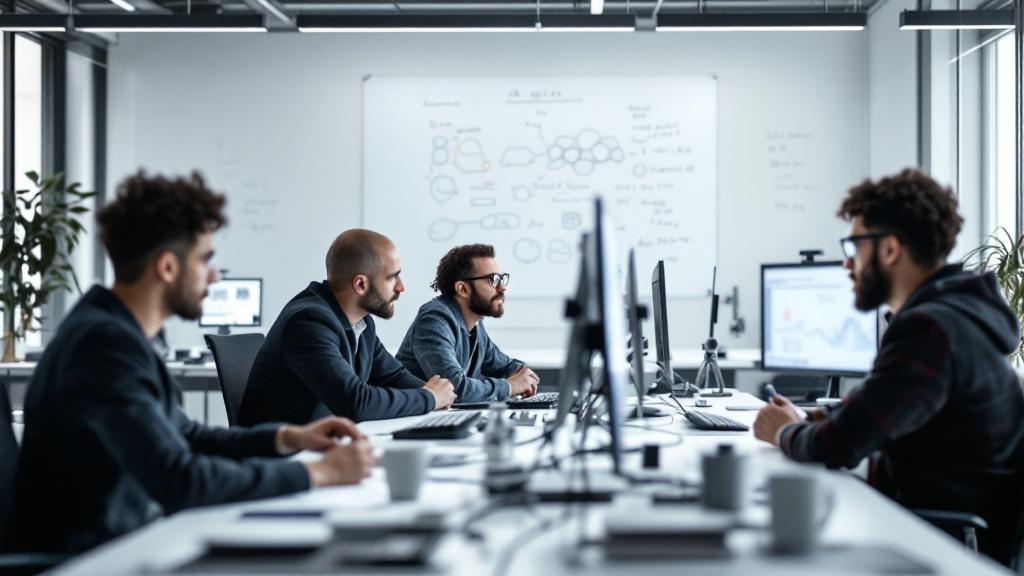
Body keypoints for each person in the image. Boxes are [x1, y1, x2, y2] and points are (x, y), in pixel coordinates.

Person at [14, 172, 375, 554]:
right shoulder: (104, 344)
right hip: (95, 556)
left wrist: (289, 438)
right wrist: (317, 473)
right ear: (167, 267)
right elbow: (179, 480)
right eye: (205, 259)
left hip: (132, 540)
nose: (215, 276)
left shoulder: (123, 333)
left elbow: (189, 436)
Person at [752, 168, 1024, 564]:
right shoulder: (954, 317)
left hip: (942, 548)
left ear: (891, 249)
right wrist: (811, 417)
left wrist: (783, 432)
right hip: (930, 527)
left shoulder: (931, 329)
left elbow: (840, 445)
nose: (848, 265)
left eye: (854, 247)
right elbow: (875, 408)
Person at [240, 229, 456, 425]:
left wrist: (442, 396)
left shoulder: (362, 322)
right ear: (360, 284)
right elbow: (356, 403)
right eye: (393, 278)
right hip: (282, 457)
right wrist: (429, 397)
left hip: (324, 445)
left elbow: (393, 376)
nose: (401, 287)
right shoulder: (308, 322)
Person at [396, 244, 539, 403]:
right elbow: (455, 389)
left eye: (502, 278)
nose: (503, 287)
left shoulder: (474, 325)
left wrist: (524, 375)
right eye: (493, 279)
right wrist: (510, 387)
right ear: (463, 289)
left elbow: (504, 367)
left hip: (443, 418)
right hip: (413, 421)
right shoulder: (434, 320)